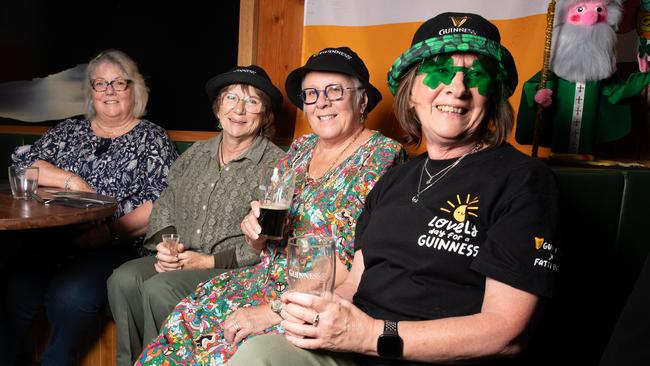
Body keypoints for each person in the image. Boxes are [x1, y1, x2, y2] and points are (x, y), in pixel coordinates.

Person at [228, 12, 560, 366]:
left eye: (476, 75)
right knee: (253, 349)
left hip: (417, 354)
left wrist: (370, 335)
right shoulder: (396, 179)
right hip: (350, 345)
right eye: (439, 72)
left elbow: (506, 334)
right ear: (411, 90)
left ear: (492, 95)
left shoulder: (523, 180)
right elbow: (353, 286)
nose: (457, 88)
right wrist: (289, 314)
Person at [136, 46, 405, 365]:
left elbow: (360, 267)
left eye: (335, 90)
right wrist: (254, 231)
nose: (322, 102)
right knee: (181, 330)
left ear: (362, 100)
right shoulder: (302, 149)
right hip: (261, 281)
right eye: (312, 93)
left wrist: (271, 312)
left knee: (227, 352)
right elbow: (265, 238)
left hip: (318, 303)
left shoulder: (384, 158)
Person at [3, 49, 178, 365]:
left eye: (118, 83)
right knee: (16, 287)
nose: (109, 91)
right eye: (100, 84)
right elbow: (22, 164)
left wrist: (110, 232)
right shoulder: (69, 131)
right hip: (53, 239)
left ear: (134, 90)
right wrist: (70, 180)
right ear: (91, 92)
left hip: (115, 245)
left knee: (69, 297)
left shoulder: (152, 138)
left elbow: (161, 203)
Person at [106, 65, 286, 366]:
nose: (239, 109)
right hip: (183, 257)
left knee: (158, 288)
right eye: (230, 98)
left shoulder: (276, 164)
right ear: (218, 109)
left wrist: (208, 261)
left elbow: (267, 243)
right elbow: (165, 206)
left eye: (252, 101)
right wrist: (168, 248)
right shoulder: (196, 155)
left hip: (231, 269)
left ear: (264, 115)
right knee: (122, 279)